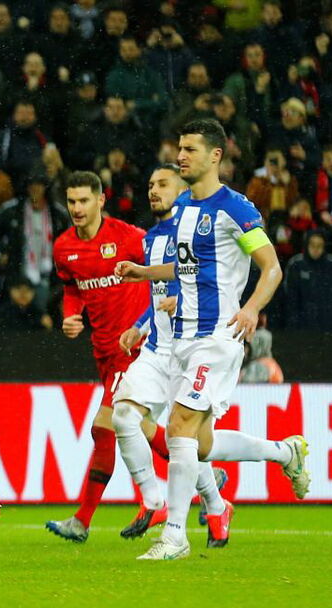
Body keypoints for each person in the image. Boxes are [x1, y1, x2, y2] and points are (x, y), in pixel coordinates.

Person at [116, 119, 310, 560]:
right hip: (182, 338)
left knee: (178, 427)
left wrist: (252, 308)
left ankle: (174, 535)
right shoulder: (182, 207)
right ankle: (286, 453)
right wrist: (145, 274)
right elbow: (188, 270)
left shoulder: (235, 209)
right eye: (180, 148)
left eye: (190, 149)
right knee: (198, 444)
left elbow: (271, 267)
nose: (181, 155)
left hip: (218, 337)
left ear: (215, 156)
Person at [112, 165, 230, 544]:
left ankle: (216, 504)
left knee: (188, 439)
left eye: (162, 183)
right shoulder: (151, 238)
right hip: (156, 349)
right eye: (149, 184)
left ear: (182, 190)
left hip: (188, 348)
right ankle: (153, 499)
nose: (153, 190)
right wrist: (141, 325)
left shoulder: (195, 232)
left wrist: (181, 299)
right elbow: (158, 293)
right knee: (124, 415)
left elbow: (204, 281)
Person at [44, 171, 165, 543]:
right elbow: (72, 287)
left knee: (105, 427)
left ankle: (83, 519)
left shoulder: (130, 238)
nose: (77, 209)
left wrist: (156, 319)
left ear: (100, 201)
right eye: (71, 202)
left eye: (83, 201)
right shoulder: (64, 247)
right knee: (128, 428)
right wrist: (70, 314)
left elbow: (163, 272)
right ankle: (203, 477)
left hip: (134, 349)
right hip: (104, 354)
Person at [0, 173, 69, 312]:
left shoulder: (57, 212)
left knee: (42, 314)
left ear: (45, 189)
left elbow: (72, 235)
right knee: (16, 314)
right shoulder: (13, 209)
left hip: (47, 276)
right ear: (27, 189)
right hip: (18, 273)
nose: (35, 189)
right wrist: (0, 252)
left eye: (39, 186)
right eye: (32, 186)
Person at [284, 230, 332, 331]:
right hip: (303, 329)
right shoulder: (296, 265)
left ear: (324, 246)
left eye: (319, 245)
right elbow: (290, 299)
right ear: (306, 245)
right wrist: (292, 325)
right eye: (312, 245)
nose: (315, 249)